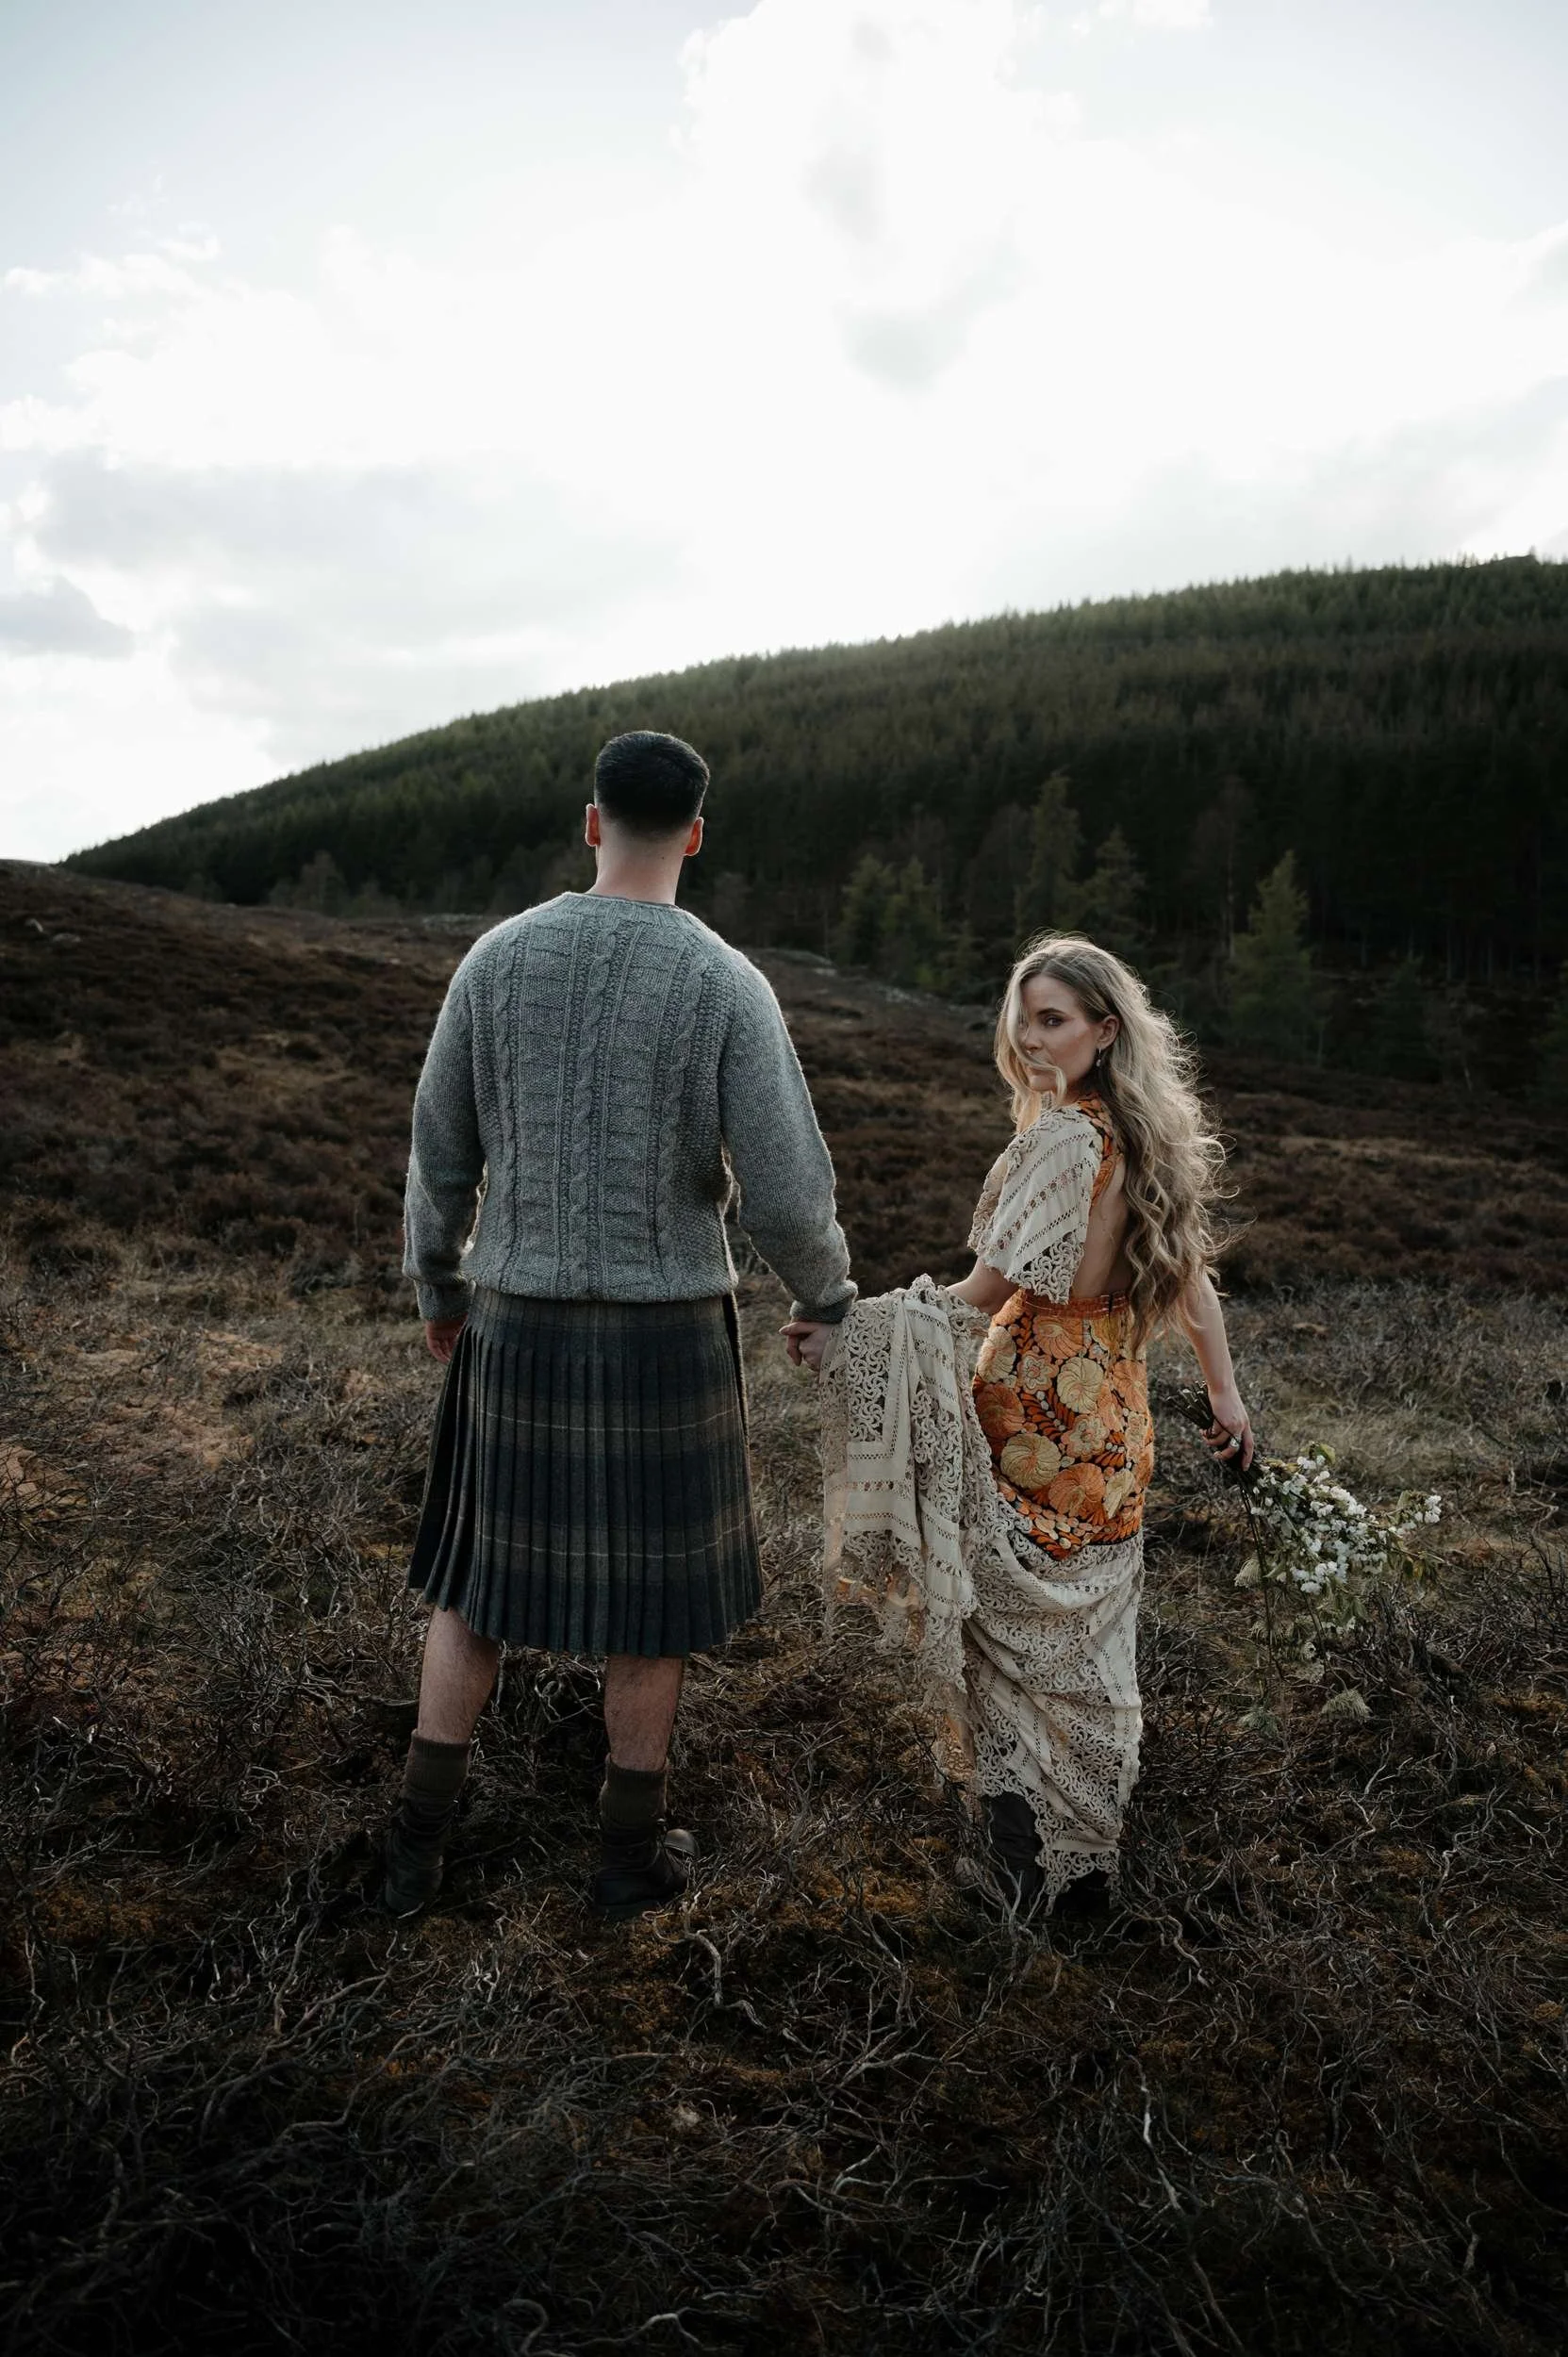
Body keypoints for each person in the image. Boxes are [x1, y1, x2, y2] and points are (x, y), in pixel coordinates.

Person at [378, 731, 855, 1922]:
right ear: (695, 834)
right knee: (650, 1609)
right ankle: (622, 1859)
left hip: (516, 1323)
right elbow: (790, 1193)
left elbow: (440, 1157)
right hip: (666, 1339)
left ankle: (414, 1849)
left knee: (474, 1590)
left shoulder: (496, 960)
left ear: (592, 822)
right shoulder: (724, 982)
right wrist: (827, 1298)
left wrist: (440, 1289)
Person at [787, 934, 1251, 1919]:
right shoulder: (1146, 1141)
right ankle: (1081, 1866)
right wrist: (1224, 1395)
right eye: (1023, 1018)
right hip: (1115, 1423)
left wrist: (852, 1330)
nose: (1032, 1038)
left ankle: (1025, 1877)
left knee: (1005, 1641)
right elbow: (1193, 1276)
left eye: (1054, 1019)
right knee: (1085, 1649)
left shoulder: (1065, 1141)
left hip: (1032, 1410)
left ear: (1103, 1029)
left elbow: (978, 1295)